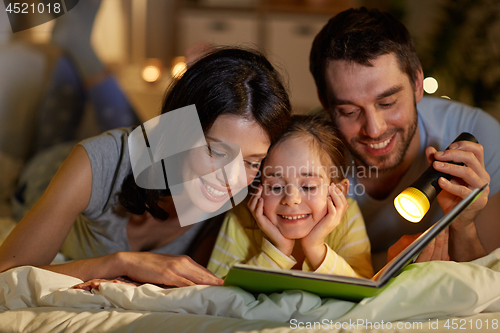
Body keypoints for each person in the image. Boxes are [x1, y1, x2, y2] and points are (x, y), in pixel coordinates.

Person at [0, 47, 292, 288]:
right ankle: (72, 48)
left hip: (147, 149)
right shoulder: (97, 162)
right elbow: (7, 275)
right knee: (48, 148)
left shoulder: (247, 191)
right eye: (216, 151)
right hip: (44, 174)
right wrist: (119, 262)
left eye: (252, 161)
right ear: (179, 132)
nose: (231, 179)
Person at [309, 7, 500, 269]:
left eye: (387, 102)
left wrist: (462, 225)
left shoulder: (478, 137)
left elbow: (487, 279)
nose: (374, 130)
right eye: (349, 111)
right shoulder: (305, 153)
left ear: (418, 84)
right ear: (325, 104)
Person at [208, 115, 373, 279]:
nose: (291, 199)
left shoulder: (347, 217)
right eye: (276, 187)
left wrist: (316, 248)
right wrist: (277, 252)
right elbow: (215, 293)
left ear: (339, 191)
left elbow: (364, 288)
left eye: (308, 186)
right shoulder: (240, 218)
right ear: (258, 187)